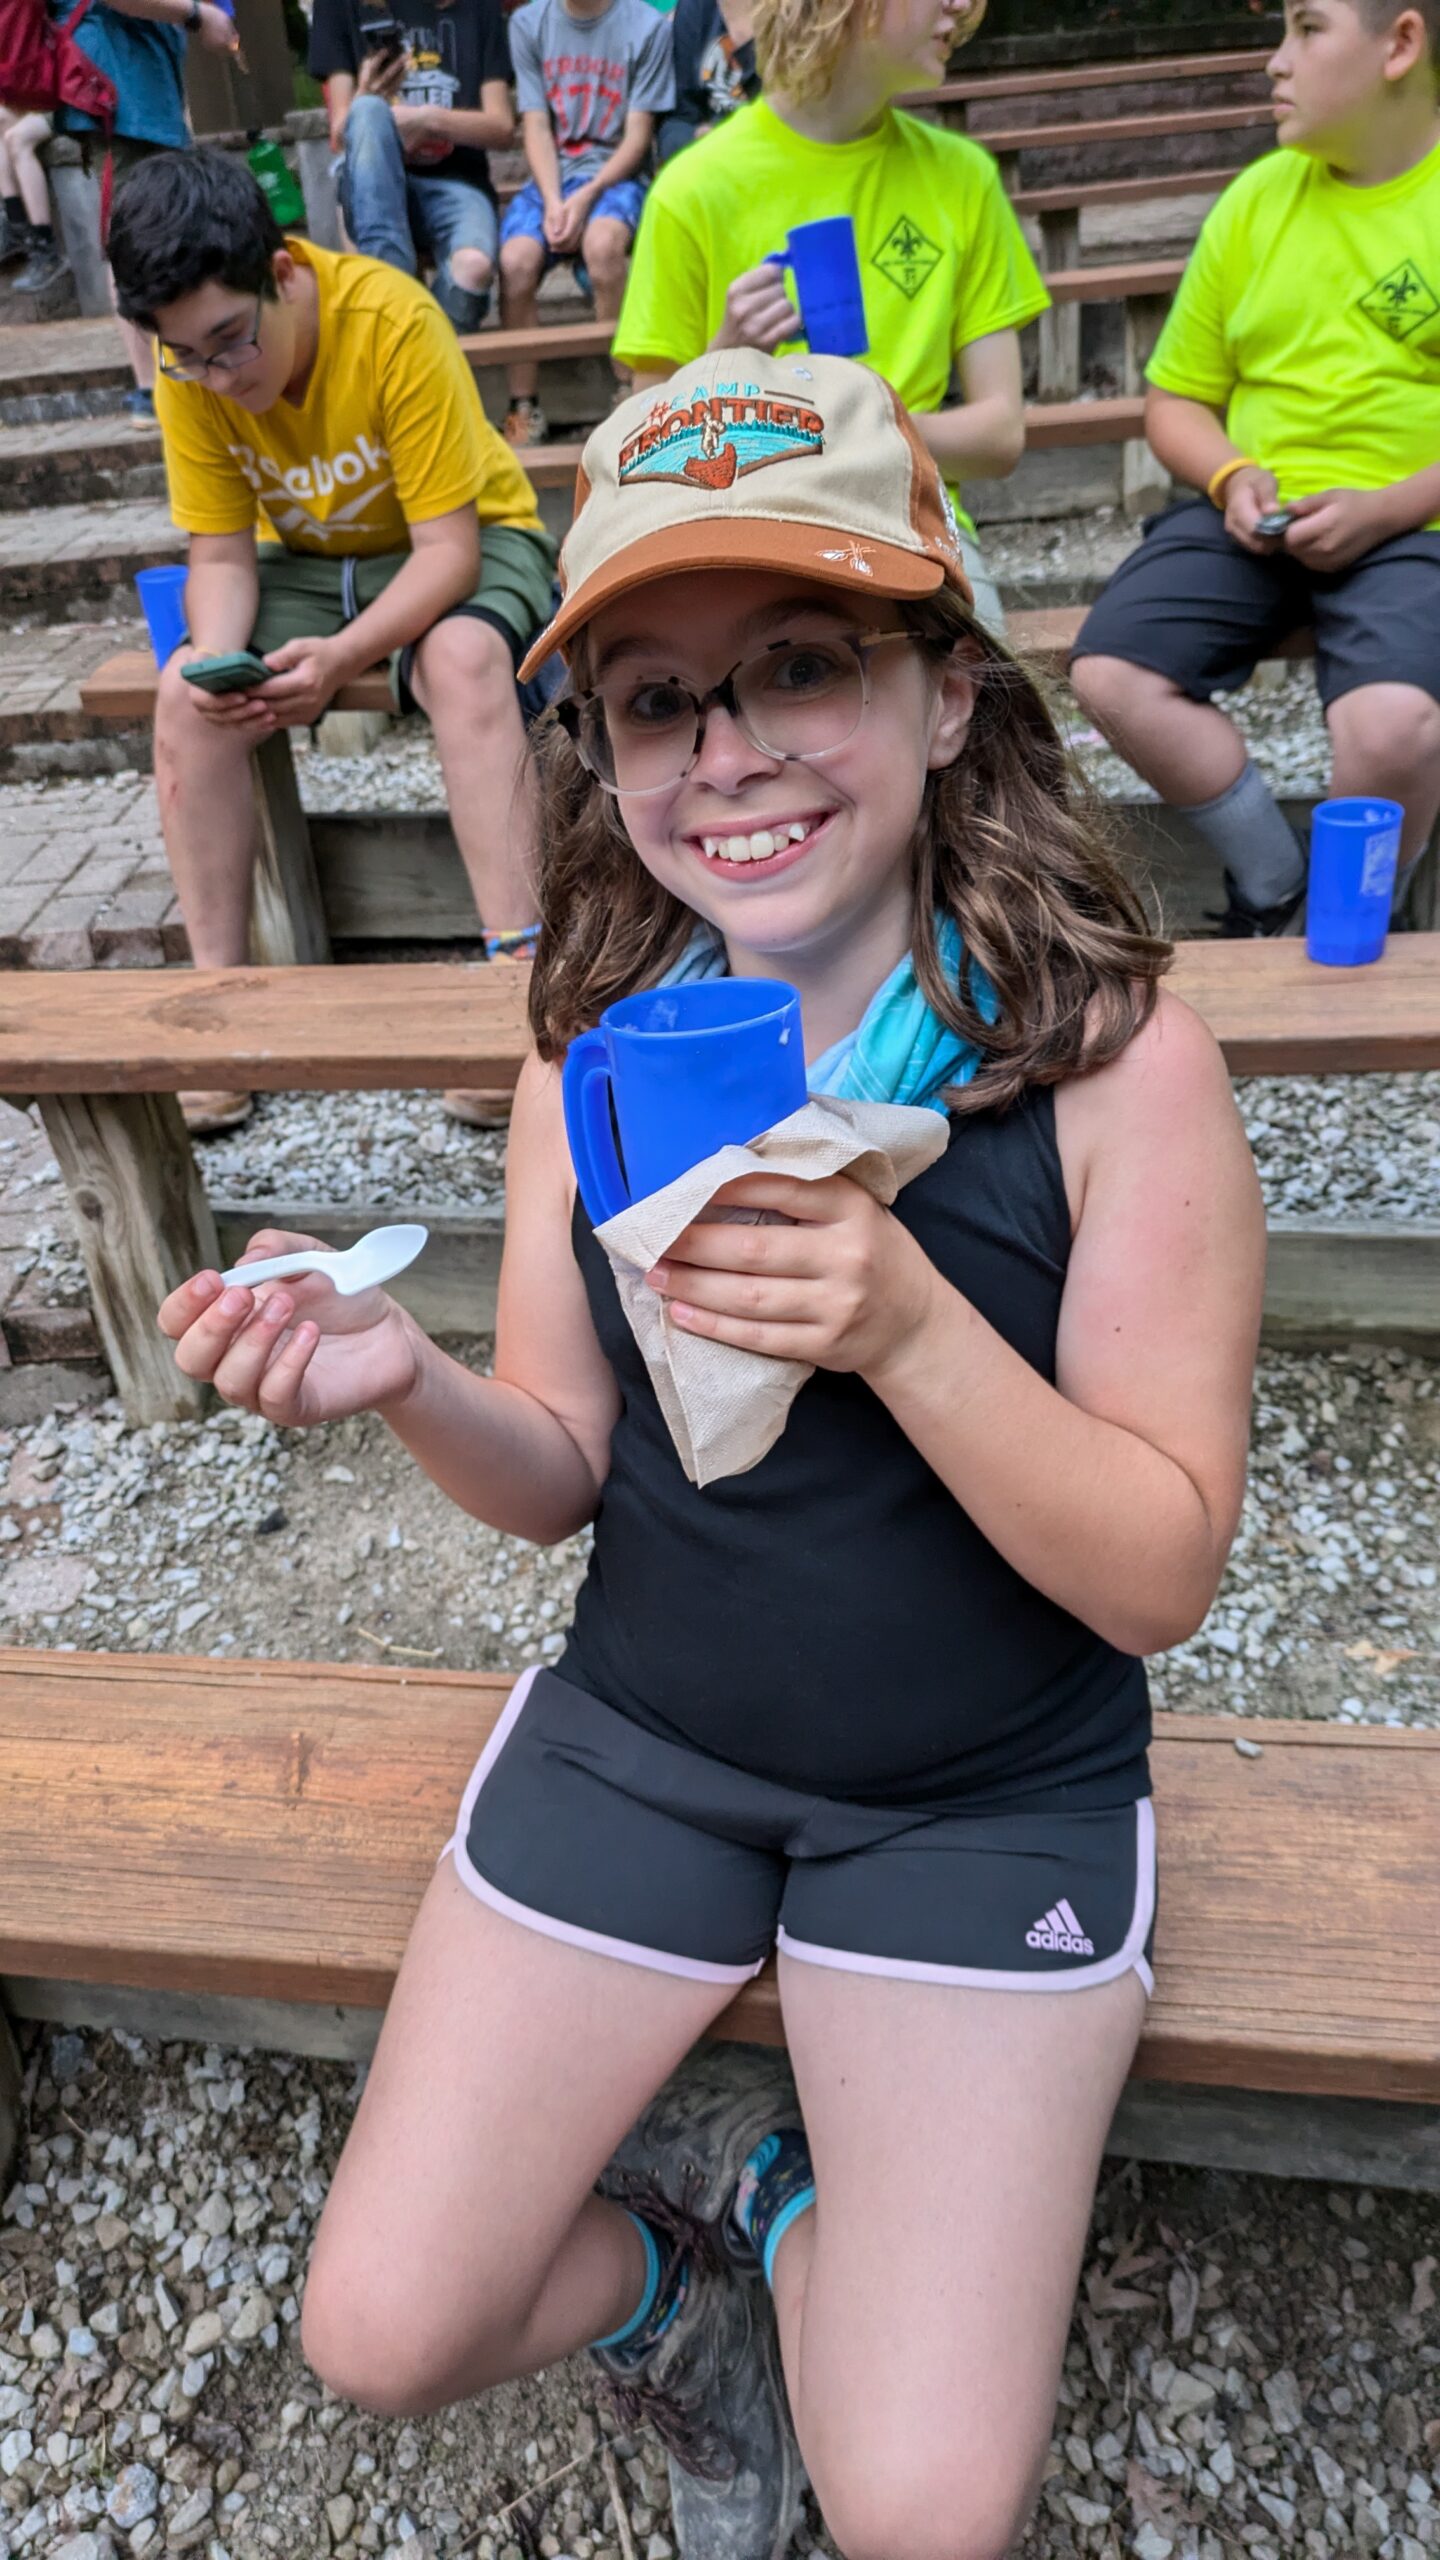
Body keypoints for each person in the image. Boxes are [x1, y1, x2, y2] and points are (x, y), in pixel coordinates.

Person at [158, 349, 1263, 2560]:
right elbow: (564, 1462)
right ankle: (693, 2274)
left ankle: (804, 2206)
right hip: (651, 1733)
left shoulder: (1116, 1069)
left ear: (948, 693)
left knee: (924, 2510)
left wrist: (909, 1322)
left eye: (801, 666)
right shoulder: (597, 1039)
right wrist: (406, 1378)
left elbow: (1157, 1572)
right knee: (377, 2328)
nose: (725, 751)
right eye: (655, 701)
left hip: (987, 1785)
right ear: (600, 751)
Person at [109, 148, 557, 1135]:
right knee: (184, 690)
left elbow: (449, 555)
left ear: (281, 272)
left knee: (461, 658)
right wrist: (218, 661)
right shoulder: (192, 366)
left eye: (230, 341)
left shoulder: (391, 317)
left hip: (467, 538)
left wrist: (343, 658)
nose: (218, 375)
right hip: (313, 560)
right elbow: (219, 556)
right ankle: (218, 1006)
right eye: (187, 356)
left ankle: (516, 990)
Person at [1071, 0, 1440, 938]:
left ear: (1401, 44)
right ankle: (1276, 889)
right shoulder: (1256, 199)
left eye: (1307, 30)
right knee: (1110, 673)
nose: (1276, 61)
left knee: (1391, 726)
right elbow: (1175, 401)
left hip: (1417, 524)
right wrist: (1233, 477)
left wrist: (1388, 507)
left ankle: (1362, 916)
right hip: (1252, 513)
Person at [612, 0, 1040, 635]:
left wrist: (845, 427)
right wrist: (724, 360)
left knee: (976, 685)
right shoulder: (691, 189)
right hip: (744, 533)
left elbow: (1000, 437)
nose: (960, 5)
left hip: (911, 525)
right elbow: (643, 454)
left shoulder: (964, 177)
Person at [48, 0, 239, 414]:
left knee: (157, 236)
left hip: (137, 93)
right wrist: (197, 15)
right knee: (134, 241)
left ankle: (170, 381)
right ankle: (153, 389)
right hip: (116, 91)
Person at [498, 0, 674, 446]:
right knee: (515, 260)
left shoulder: (646, 27)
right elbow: (536, 125)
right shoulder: (528, 24)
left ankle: (626, 392)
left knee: (603, 246)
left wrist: (587, 194)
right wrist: (555, 201)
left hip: (616, 176)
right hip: (550, 179)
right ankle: (523, 407)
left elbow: (638, 136)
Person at [309, 0, 516, 337]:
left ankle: (411, 340)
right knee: (368, 112)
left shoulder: (478, 7)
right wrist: (368, 96)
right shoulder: (341, 5)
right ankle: (394, 291)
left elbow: (502, 127)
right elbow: (341, 133)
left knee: (474, 268)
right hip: (376, 190)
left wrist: (428, 120)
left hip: (457, 180)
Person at [656, 0, 757, 163]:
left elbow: (789, 111)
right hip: (709, 157)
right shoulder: (696, 6)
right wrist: (697, 139)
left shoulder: (796, 14)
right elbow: (675, 122)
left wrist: (741, 31)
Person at [0, 103, 70, 295]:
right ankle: (16, 226)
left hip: (72, 105)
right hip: (42, 103)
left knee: (17, 139)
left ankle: (46, 247)